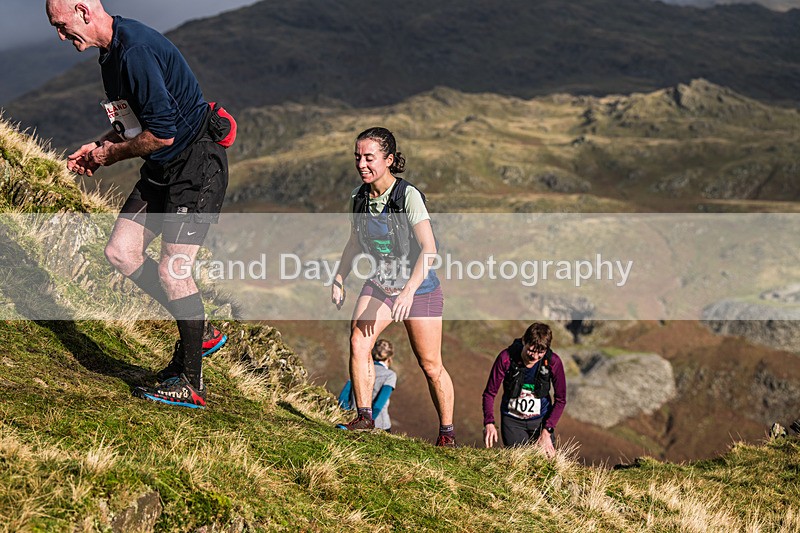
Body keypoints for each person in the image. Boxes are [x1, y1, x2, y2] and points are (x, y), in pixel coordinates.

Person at [46, 0, 232, 408]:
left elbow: (162, 134)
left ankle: (191, 381)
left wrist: (108, 157)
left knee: (173, 271)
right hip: (163, 169)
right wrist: (97, 145)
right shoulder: (109, 54)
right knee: (121, 252)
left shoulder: (135, 51)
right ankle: (201, 333)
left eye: (62, 25)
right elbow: (133, 122)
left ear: (83, 10)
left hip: (195, 166)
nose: (60, 35)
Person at [330, 127, 456, 447]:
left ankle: (446, 433)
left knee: (430, 365)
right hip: (382, 283)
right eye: (358, 157)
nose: (362, 164)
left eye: (369, 158)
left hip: (420, 287)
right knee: (359, 339)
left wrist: (409, 291)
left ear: (388, 160)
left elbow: (429, 249)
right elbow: (354, 243)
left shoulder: (407, 196)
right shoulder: (358, 199)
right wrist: (339, 278)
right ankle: (364, 417)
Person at [482, 322, 566, 456]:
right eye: (531, 350)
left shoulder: (553, 362)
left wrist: (547, 431)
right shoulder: (506, 358)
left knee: (546, 466)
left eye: (541, 353)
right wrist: (489, 422)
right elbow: (490, 393)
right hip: (512, 422)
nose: (535, 356)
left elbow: (561, 400)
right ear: (524, 341)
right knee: (520, 464)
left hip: (541, 422)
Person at [337, 339, 397, 431]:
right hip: (379, 425)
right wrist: (367, 422)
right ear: (389, 358)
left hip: (354, 421)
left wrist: (350, 416)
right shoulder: (390, 375)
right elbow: (378, 405)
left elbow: (342, 398)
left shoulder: (358, 369)